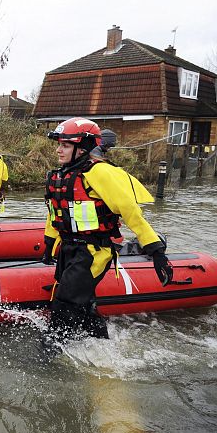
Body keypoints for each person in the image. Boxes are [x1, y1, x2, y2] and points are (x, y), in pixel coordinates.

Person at [41, 117, 172, 343]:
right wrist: (49, 243)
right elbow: (55, 213)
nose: (58, 150)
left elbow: (131, 212)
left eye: (65, 145)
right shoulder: (62, 175)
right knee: (84, 304)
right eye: (59, 144)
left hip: (94, 251)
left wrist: (156, 251)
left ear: (82, 148)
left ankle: (49, 355)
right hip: (69, 248)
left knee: (64, 303)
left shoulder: (101, 173)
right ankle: (101, 343)